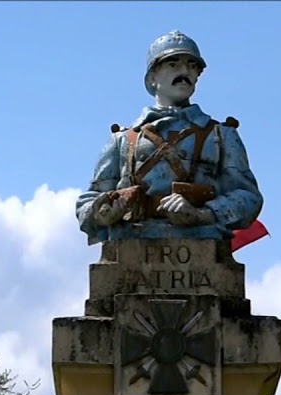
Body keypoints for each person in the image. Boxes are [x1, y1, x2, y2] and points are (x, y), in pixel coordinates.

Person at [76, 31, 268, 249]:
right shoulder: (121, 139)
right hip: (130, 246)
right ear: (152, 78)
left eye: (192, 66)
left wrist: (202, 214)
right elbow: (88, 201)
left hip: (203, 248)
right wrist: (102, 213)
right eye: (173, 64)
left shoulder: (222, 136)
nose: (184, 71)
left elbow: (249, 198)